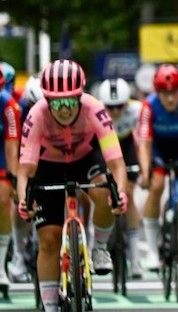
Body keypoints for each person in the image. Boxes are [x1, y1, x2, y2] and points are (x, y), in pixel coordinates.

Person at [16, 60, 128, 312]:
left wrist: (119, 192)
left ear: (80, 97)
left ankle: (99, 247)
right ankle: (50, 306)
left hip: (85, 158)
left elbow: (117, 164)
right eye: (56, 103)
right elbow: (25, 170)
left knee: (104, 191)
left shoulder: (95, 109)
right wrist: (24, 200)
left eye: (69, 102)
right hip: (47, 165)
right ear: (46, 100)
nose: (63, 109)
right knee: (49, 239)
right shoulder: (36, 116)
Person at [136, 64, 178, 271]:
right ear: (157, 93)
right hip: (158, 148)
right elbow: (145, 142)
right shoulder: (149, 106)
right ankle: (153, 251)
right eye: (165, 94)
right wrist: (145, 172)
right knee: (155, 187)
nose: (171, 99)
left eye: (174, 92)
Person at [93, 78, 146, 279]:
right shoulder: (95, 112)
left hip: (126, 146)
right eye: (110, 107)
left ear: (128, 102)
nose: (115, 112)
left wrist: (144, 168)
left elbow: (142, 141)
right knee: (98, 193)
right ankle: (96, 244)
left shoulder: (138, 109)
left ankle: (134, 257)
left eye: (120, 106)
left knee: (129, 195)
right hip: (103, 148)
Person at [0, 73, 20, 289]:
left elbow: (11, 145)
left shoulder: (9, 106)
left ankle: (0, 267)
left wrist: (13, 177)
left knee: (2, 199)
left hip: (2, 154)